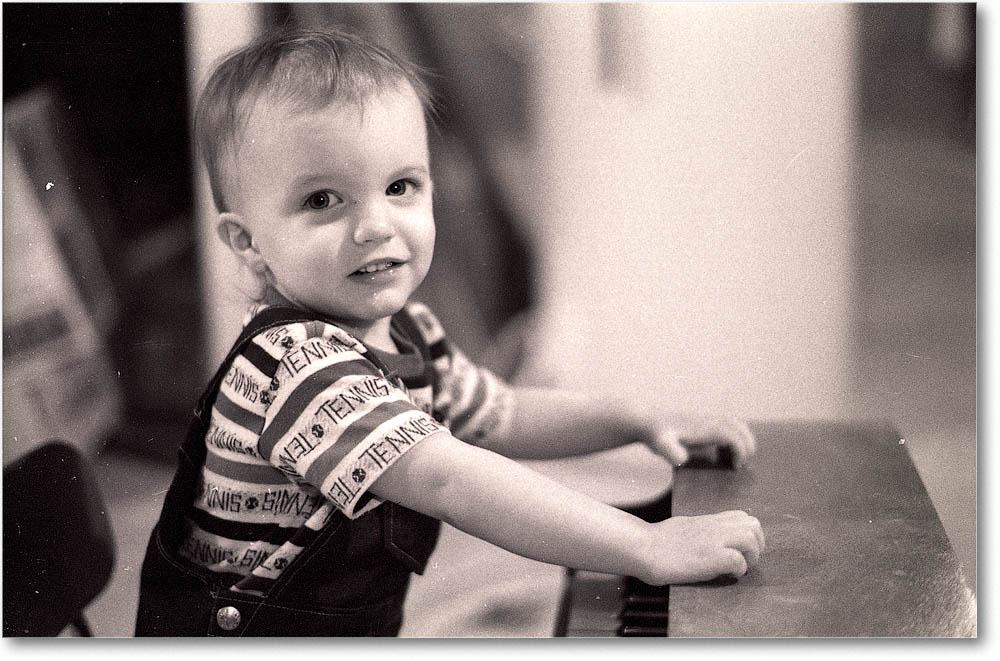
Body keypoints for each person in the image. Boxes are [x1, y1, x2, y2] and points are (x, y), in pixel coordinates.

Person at [135, 27, 763, 637]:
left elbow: (502, 414)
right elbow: (450, 479)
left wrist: (634, 420)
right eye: (323, 200)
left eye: (400, 187)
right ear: (247, 243)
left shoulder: (409, 332)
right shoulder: (299, 368)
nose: (376, 226)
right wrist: (646, 546)